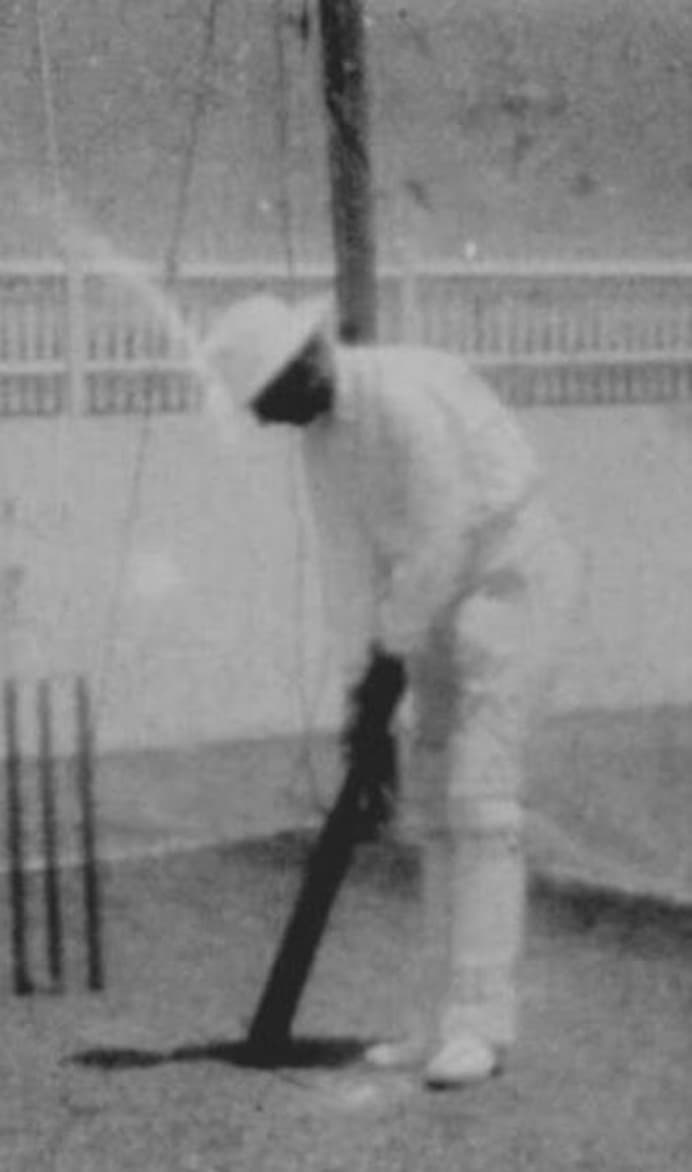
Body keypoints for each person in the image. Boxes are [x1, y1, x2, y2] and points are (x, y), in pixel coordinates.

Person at [203, 294, 579, 1089]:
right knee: (434, 812)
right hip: (435, 602)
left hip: (508, 583)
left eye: (268, 402)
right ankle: (435, 1021)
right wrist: (359, 700)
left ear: (302, 364)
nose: (268, 422)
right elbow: (349, 572)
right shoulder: (321, 443)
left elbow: (447, 532)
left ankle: (484, 1025)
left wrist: (388, 666)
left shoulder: (405, 395)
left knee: (481, 804)